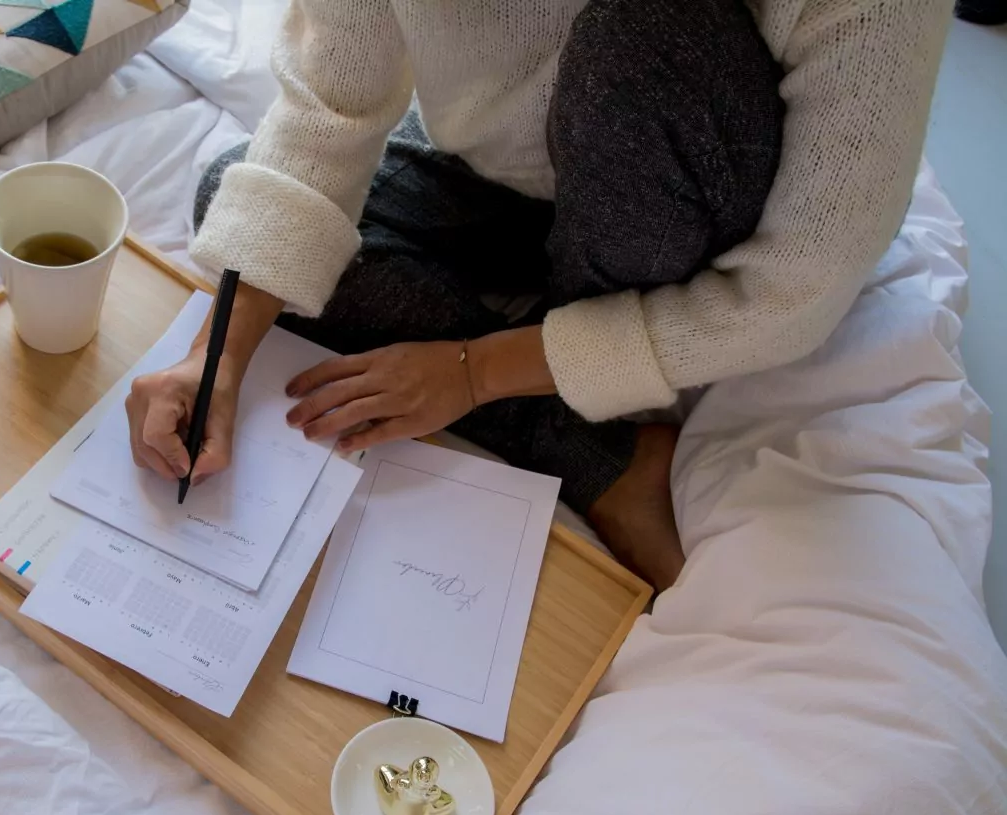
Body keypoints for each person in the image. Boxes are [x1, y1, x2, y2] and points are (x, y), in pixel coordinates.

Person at [126, 0, 952, 589]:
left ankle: (605, 440)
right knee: (239, 198)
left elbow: (794, 293)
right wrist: (219, 357)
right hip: (508, 174)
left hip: (686, 195)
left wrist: (475, 371)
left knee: (649, 35)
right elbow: (326, 113)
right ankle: (597, 446)